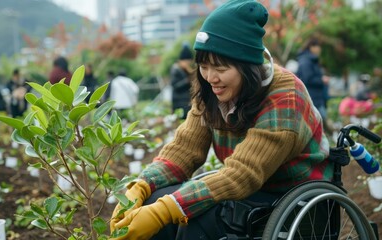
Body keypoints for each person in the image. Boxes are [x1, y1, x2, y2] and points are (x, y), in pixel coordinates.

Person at [109, 1, 332, 239]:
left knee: (195, 220)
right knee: (155, 201)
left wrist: (168, 209)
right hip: (244, 197)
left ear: (249, 66)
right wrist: (142, 186)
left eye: (221, 68)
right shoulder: (212, 91)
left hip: (291, 198)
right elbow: (184, 150)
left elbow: (243, 173)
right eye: (204, 66)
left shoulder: (285, 95)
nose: (211, 77)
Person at [296, 37, 331, 130]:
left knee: (321, 125)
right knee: (320, 125)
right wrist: (322, 79)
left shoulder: (311, 60)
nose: (320, 49)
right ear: (312, 47)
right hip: (312, 98)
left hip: (317, 98)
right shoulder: (305, 61)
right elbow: (308, 79)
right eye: (318, 46)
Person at [170, 43, 194, 119]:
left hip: (186, 103)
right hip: (179, 103)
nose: (188, 64)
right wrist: (187, 81)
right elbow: (175, 86)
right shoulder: (176, 70)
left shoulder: (185, 70)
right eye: (187, 62)